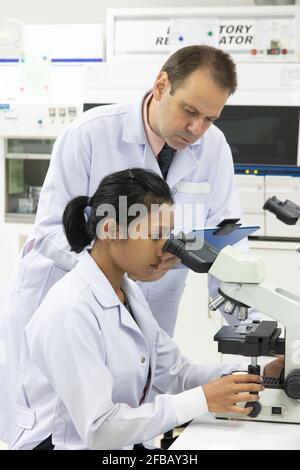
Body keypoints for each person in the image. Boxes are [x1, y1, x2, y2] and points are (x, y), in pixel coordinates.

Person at [0, 45, 259, 443]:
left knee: (138, 405)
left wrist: (248, 334)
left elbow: (225, 239)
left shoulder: (213, 147)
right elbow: (53, 232)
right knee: (69, 421)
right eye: (190, 112)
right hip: (78, 308)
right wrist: (109, 280)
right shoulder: (89, 135)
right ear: (161, 85)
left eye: (210, 118)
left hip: (131, 298)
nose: (197, 130)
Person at [9, 169, 264, 450]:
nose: (167, 250)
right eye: (155, 236)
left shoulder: (128, 295)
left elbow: (177, 374)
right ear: (110, 230)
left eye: (169, 236)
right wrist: (202, 399)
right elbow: (99, 430)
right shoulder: (71, 310)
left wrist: (256, 376)